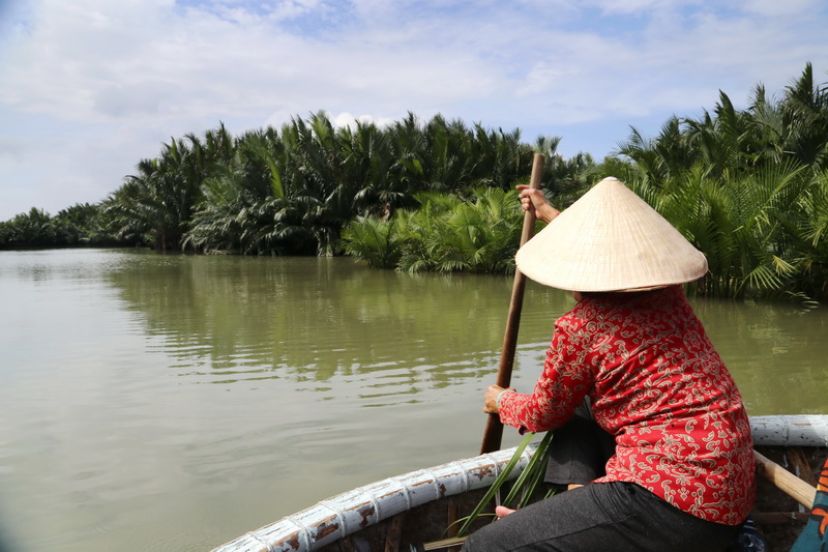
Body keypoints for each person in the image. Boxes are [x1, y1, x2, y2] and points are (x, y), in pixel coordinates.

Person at [462, 177, 755, 552]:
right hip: (730, 493)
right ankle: (577, 495)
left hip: (671, 508)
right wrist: (548, 211)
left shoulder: (580, 327)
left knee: (483, 546)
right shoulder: (670, 298)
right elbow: (612, 251)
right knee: (582, 403)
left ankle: (581, 514)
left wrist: (500, 401)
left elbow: (543, 413)